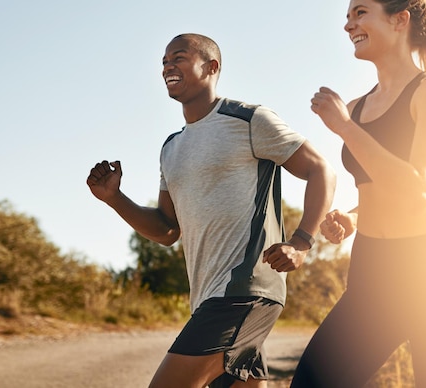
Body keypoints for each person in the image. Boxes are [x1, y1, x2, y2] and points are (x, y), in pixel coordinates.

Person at [86, 33, 336, 388]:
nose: (168, 66)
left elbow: (319, 169)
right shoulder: (171, 148)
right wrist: (115, 199)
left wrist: (301, 242)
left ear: (211, 66)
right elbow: (167, 230)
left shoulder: (249, 119)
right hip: (207, 299)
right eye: (164, 62)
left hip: (245, 290)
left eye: (179, 57)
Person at [290, 0, 426, 387]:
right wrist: (353, 216)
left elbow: (420, 191)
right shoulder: (358, 106)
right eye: (347, 16)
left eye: (360, 12)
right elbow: (382, 186)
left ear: (400, 20)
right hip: (373, 271)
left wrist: (345, 128)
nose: (348, 25)